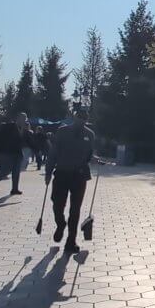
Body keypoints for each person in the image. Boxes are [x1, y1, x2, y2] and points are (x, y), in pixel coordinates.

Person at [47, 107, 95, 253]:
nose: (82, 120)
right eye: (79, 117)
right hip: (62, 173)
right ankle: (60, 224)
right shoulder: (62, 131)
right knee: (57, 204)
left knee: (75, 209)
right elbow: (53, 153)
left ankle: (71, 241)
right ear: (75, 117)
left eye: (84, 118)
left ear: (86, 119)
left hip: (79, 176)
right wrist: (48, 172)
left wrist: (96, 160)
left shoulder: (90, 134)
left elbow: (90, 154)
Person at [0, 112, 28, 194]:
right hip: (7, 152)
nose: (23, 121)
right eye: (22, 118)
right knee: (6, 170)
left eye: (25, 119)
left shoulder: (23, 129)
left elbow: (25, 141)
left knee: (16, 172)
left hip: (18, 153)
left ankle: (14, 189)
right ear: (18, 119)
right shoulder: (9, 126)